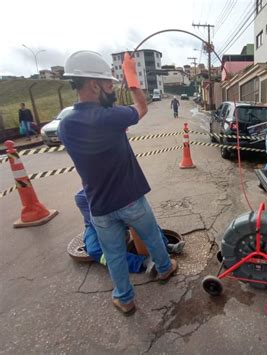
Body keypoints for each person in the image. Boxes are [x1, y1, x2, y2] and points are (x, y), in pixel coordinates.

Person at [59, 50, 178, 315]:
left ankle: (125, 299)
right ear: (94, 85)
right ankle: (165, 269)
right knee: (152, 238)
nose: (113, 88)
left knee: (113, 255)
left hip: (99, 206)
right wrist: (132, 81)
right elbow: (142, 108)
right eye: (109, 83)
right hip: (131, 198)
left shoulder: (65, 126)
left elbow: (95, 138)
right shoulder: (111, 117)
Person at [74, 189, 185, 273]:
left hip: (121, 217)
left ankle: (166, 247)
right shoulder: (81, 197)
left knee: (145, 221)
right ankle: (143, 262)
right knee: (94, 250)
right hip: (97, 227)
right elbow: (99, 224)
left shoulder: (114, 186)